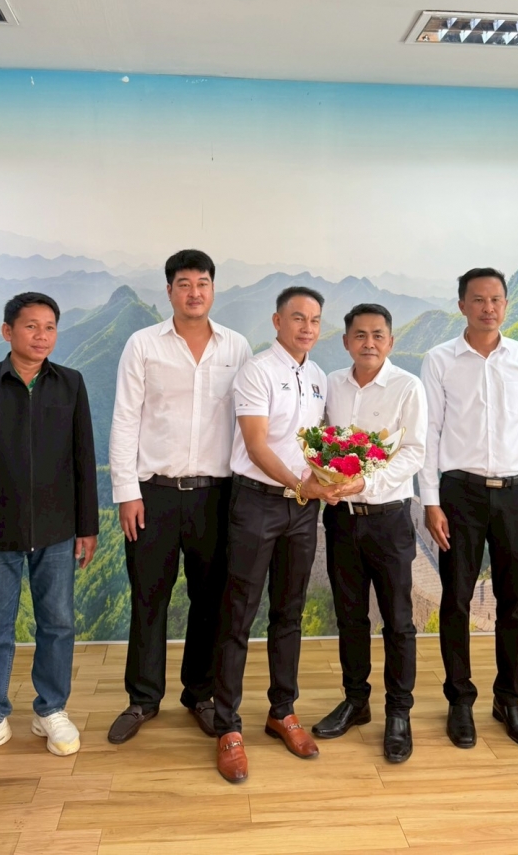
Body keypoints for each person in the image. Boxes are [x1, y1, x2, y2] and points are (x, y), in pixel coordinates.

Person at [0, 292, 99, 772]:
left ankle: (50, 710)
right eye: (31, 326)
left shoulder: (70, 383)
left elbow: (84, 458)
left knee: (58, 624)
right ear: (7, 331)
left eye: (50, 327)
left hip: (57, 530)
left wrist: (87, 527)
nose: (42, 336)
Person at [107, 249, 252, 745]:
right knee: (149, 596)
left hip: (217, 494)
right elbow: (125, 418)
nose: (194, 292)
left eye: (203, 283)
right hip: (155, 494)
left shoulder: (236, 347)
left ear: (213, 289)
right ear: (169, 291)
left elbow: (249, 423)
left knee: (210, 599)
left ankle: (201, 694)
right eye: (184, 284)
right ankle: (143, 698)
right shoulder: (143, 345)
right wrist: (127, 492)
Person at [213, 286, 355, 784]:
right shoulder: (255, 371)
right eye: (297, 318)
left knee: (288, 612)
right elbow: (255, 446)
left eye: (315, 320)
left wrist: (333, 480)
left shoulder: (317, 378)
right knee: (239, 613)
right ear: (277, 321)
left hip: (302, 509)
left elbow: (318, 446)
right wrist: (301, 486)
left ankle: (282, 711)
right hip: (257, 502)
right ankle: (227, 726)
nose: (307, 328)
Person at [419, 268, 518, 751]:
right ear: (462, 305)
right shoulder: (439, 360)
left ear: (506, 303)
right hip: (459, 493)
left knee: (513, 600)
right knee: (456, 599)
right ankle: (460, 700)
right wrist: (431, 501)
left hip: (516, 494)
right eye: (478, 299)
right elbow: (429, 434)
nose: (488, 308)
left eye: (496, 299)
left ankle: (509, 700)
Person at [312, 304, 427, 764]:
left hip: (389, 519)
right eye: (359, 335)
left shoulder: (408, 386)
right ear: (346, 342)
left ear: (391, 341)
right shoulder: (332, 384)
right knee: (351, 616)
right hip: (341, 519)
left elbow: (414, 452)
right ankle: (356, 701)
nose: (369, 343)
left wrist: (366, 482)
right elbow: (320, 440)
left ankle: (399, 712)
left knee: (398, 620)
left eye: (378, 335)